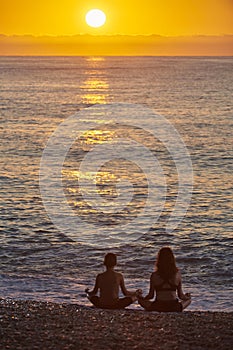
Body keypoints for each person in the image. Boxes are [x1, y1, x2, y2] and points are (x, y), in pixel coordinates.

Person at [137, 247, 191, 312]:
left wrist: (142, 298)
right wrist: (188, 297)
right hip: (174, 307)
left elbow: (151, 296)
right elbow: (181, 296)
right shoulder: (177, 274)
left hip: (158, 306)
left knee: (140, 301)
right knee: (189, 300)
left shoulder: (154, 275)